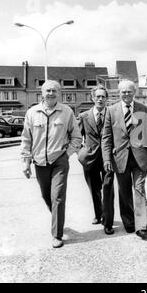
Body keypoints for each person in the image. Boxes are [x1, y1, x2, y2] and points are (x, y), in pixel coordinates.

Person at [20, 80, 82, 248]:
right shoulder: (32, 112)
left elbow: (77, 137)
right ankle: (58, 218)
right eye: (48, 90)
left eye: (54, 90)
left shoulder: (67, 112)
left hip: (59, 162)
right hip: (39, 162)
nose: (51, 93)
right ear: (42, 93)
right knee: (46, 196)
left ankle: (57, 234)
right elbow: (26, 139)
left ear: (59, 93)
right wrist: (26, 163)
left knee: (58, 197)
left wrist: (66, 155)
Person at [102, 79, 147, 240]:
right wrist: (107, 159)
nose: (126, 94)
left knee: (139, 190)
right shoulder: (111, 110)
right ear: (119, 93)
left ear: (134, 92)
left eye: (129, 91)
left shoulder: (143, 109)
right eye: (123, 92)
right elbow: (107, 137)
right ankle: (129, 222)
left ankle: (142, 226)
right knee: (124, 192)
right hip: (120, 158)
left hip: (140, 158)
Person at [77, 85, 115, 234]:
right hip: (90, 158)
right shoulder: (83, 116)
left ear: (107, 99)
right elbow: (75, 137)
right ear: (92, 98)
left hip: (108, 158)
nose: (100, 99)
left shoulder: (112, 114)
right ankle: (98, 214)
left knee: (108, 188)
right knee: (94, 189)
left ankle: (108, 221)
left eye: (103, 97)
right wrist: (81, 152)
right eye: (97, 96)